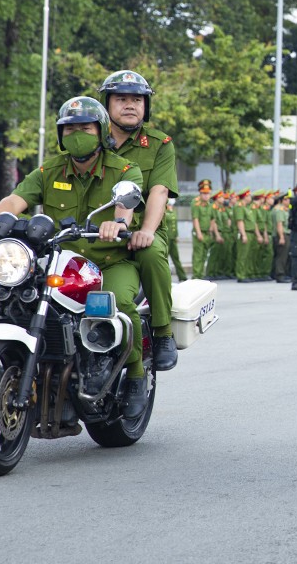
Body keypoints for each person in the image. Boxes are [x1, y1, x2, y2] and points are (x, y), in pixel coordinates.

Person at [0, 97, 148, 418]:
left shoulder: (124, 169)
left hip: (110, 262)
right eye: (70, 128)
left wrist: (117, 223)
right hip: (60, 260)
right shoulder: (49, 170)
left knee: (119, 301)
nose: (78, 133)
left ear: (101, 130)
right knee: (17, 294)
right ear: (61, 134)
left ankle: (134, 376)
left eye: (85, 128)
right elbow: (15, 200)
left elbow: (126, 208)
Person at [100, 70, 181, 371]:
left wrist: (146, 230)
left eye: (137, 99)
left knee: (150, 252)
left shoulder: (160, 144)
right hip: (95, 231)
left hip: (142, 230)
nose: (130, 105)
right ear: (106, 104)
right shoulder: (90, 140)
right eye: (121, 99)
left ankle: (162, 332)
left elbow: (159, 191)